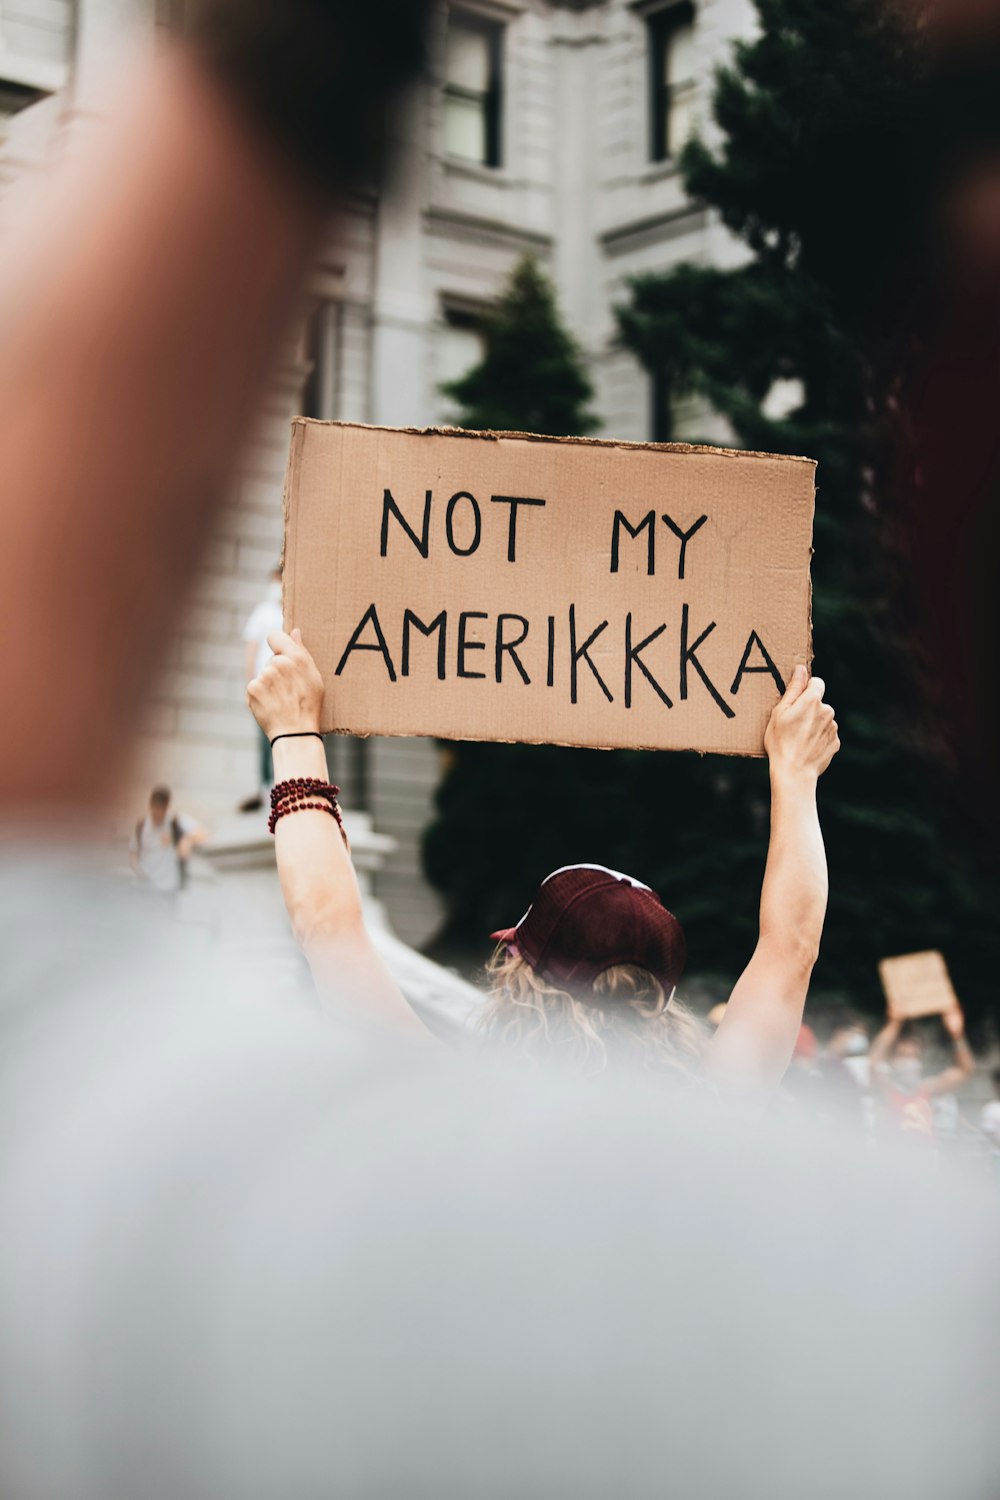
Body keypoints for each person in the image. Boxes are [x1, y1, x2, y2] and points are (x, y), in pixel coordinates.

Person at [247, 628, 840, 1095]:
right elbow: (791, 946)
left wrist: (295, 731)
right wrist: (795, 774)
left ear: (522, 980)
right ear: (659, 1005)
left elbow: (326, 927)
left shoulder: (454, 1108)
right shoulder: (717, 1110)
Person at [869, 1004, 976, 1141]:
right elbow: (872, 1062)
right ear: (891, 1060)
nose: (909, 1062)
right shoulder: (885, 1088)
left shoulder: (926, 1088)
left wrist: (957, 1035)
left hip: (925, 1160)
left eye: (914, 1056)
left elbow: (964, 1070)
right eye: (903, 1056)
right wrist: (893, 1025)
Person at [239, 565, 284, 812]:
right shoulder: (262, 613)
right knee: (263, 739)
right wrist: (250, 682)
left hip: (281, 684)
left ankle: (279, 783)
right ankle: (266, 786)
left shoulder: (289, 612)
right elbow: (252, 648)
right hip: (263, 683)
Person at [129, 785, 207, 897]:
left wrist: (186, 841)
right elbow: (133, 852)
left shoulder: (174, 822)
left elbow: (203, 832)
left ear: (167, 807)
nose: (157, 813)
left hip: (167, 889)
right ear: (150, 806)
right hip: (144, 888)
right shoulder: (142, 825)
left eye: (161, 809)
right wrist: (138, 870)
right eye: (155, 808)